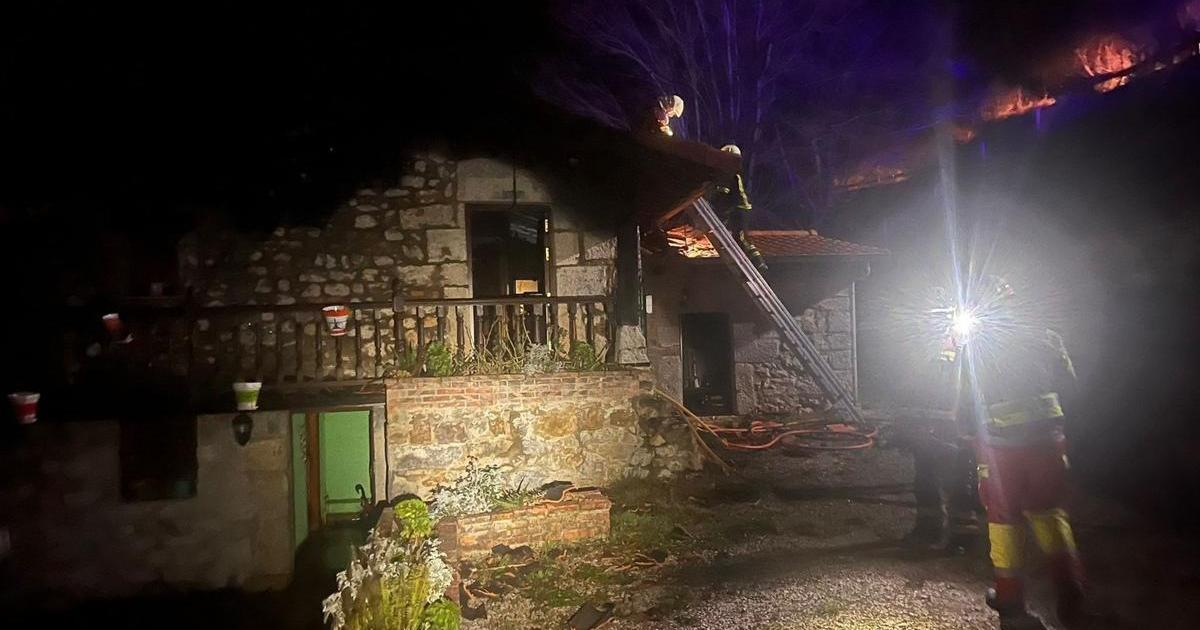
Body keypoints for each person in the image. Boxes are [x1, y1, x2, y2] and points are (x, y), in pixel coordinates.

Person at [951, 275, 1092, 629]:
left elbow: (965, 403)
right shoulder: (1048, 338)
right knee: (1050, 513)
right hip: (1047, 442)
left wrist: (965, 432)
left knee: (1004, 520)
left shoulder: (976, 347)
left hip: (1001, 447)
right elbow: (1072, 389)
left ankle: (1011, 603)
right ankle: (1071, 591)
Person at [709, 144, 768, 273]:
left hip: (738, 209)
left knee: (741, 237)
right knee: (737, 236)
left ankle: (758, 263)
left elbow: (723, 194)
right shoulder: (736, 172)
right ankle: (751, 262)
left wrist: (713, 202)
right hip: (738, 209)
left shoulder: (728, 172)